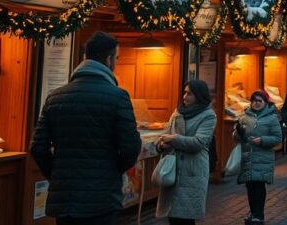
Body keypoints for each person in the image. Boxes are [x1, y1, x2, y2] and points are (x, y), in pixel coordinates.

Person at [31, 31, 141, 225]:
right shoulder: (118, 97)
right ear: (108, 59)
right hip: (101, 197)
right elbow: (131, 146)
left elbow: (38, 147)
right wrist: (112, 171)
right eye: (116, 58)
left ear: (85, 57)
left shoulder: (55, 97)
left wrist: (57, 175)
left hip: (65, 199)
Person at [155, 80, 217, 225]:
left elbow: (199, 142)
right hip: (173, 169)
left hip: (192, 171)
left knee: (186, 218)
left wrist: (173, 139)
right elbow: (164, 135)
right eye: (184, 92)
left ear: (199, 95)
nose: (184, 96)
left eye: (189, 93)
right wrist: (161, 145)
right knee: (173, 216)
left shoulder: (208, 115)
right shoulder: (177, 112)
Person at [234, 90, 283, 225]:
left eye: (259, 101)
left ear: (265, 103)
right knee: (250, 186)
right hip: (248, 156)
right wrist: (239, 133)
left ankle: (259, 214)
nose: (256, 103)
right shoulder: (244, 117)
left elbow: (278, 138)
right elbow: (236, 137)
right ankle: (253, 212)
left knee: (258, 186)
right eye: (254, 100)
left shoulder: (272, 118)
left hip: (263, 157)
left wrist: (262, 140)